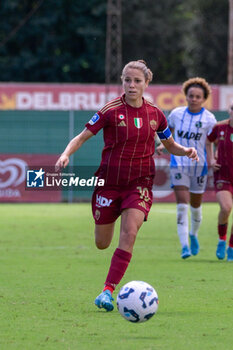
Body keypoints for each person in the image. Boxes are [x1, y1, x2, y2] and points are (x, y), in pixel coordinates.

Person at [55, 60, 198, 312]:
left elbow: (171, 144)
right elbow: (81, 137)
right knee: (102, 243)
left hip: (140, 182)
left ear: (146, 84)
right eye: (127, 80)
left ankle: (107, 290)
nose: (131, 85)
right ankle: (109, 283)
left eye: (137, 81)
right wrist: (66, 154)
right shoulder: (110, 110)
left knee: (129, 233)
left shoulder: (156, 114)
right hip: (109, 184)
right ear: (122, 81)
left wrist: (185, 151)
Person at [156, 77, 216, 259]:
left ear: (204, 98)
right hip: (179, 164)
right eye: (191, 96)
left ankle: (193, 234)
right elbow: (168, 133)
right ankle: (184, 247)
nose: (194, 99)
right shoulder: (176, 114)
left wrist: (213, 158)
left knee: (196, 208)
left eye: (198, 96)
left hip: (199, 166)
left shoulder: (209, 119)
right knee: (182, 206)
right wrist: (162, 145)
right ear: (186, 96)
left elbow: (211, 142)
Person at [206, 102, 233, 261]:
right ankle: (221, 240)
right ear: (229, 111)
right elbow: (209, 141)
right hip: (223, 174)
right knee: (226, 207)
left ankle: (231, 246)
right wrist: (211, 158)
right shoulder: (219, 127)